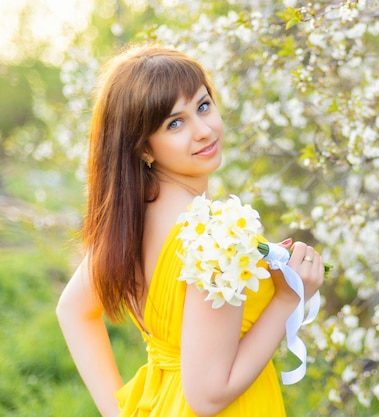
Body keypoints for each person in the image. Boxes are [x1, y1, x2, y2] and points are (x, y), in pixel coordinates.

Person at [56, 44, 325, 417]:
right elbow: (209, 396)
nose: (203, 131)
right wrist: (287, 299)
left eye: (203, 106)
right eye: (174, 123)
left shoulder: (131, 217)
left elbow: (73, 309)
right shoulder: (215, 234)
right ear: (144, 148)